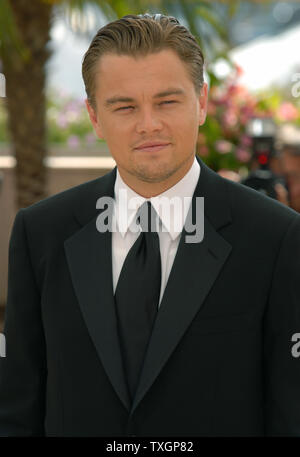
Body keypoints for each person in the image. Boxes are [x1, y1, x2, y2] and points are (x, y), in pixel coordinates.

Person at [0, 13, 300, 437]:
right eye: (124, 106)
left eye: (167, 101)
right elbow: (16, 406)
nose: (148, 124)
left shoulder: (277, 238)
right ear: (94, 117)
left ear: (201, 101)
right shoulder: (40, 233)